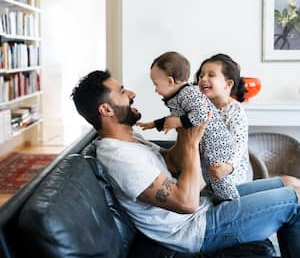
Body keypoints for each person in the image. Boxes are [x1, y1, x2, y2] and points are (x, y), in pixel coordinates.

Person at [71, 70, 300, 256]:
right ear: (106, 109)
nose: (131, 93)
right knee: (296, 200)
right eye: (122, 91)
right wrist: (191, 146)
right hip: (195, 229)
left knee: (289, 182)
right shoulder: (119, 157)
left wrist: (185, 122)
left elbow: (172, 163)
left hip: (206, 207)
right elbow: (187, 202)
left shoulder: (131, 140)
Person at [136, 51, 239, 203]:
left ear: (170, 81)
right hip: (205, 145)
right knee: (207, 177)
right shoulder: (178, 95)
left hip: (218, 144)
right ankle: (216, 200)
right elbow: (174, 118)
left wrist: (178, 122)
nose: (156, 90)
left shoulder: (188, 93)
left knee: (219, 179)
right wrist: (153, 124)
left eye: (156, 84)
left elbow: (202, 114)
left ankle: (232, 203)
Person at [194, 53, 252, 183]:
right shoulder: (200, 109)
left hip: (231, 175)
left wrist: (229, 166)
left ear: (228, 84)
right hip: (206, 174)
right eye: (201, 75)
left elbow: (239, 144)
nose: (203, 78)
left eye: (211, 75)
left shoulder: (235, 110)